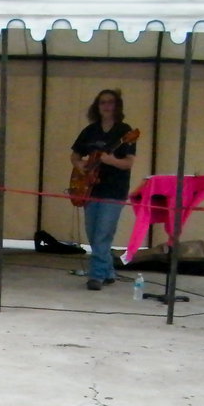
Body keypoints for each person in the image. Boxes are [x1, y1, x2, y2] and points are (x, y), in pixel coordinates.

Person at [69, 89, 138, 290]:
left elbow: (129, 163)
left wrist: (111, 160)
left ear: (117, 106)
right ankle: (108, 272)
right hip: (90, 189)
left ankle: (96, 276)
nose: (106, 106)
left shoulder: (125, 132)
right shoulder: (89, 131)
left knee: (102, 234)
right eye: (102, 103)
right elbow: (75, 155)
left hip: (114, 190)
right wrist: (79, 165)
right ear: (97, 107)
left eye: (110, 102)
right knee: (93, 234)